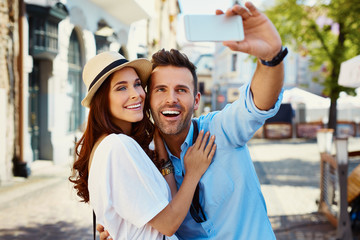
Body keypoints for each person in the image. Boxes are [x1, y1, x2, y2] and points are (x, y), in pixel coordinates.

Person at [99, 1, 286, 239]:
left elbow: (258, 103)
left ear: (196, 100)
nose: (171, 99)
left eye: (181, 90)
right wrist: (120, 230)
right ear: (148, 100)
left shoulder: (222, 130)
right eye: (161, 90)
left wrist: (272, 58)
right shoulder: (145, 160)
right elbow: (146, 221)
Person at [69, 51, 217, 240]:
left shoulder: (110, 146)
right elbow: (169, 224)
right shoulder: (117, 146)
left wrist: (162, 154)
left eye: (137, 84)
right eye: (121, 88)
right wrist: (194, 172)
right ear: (102, 99)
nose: (136, 95)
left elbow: (170, 205)